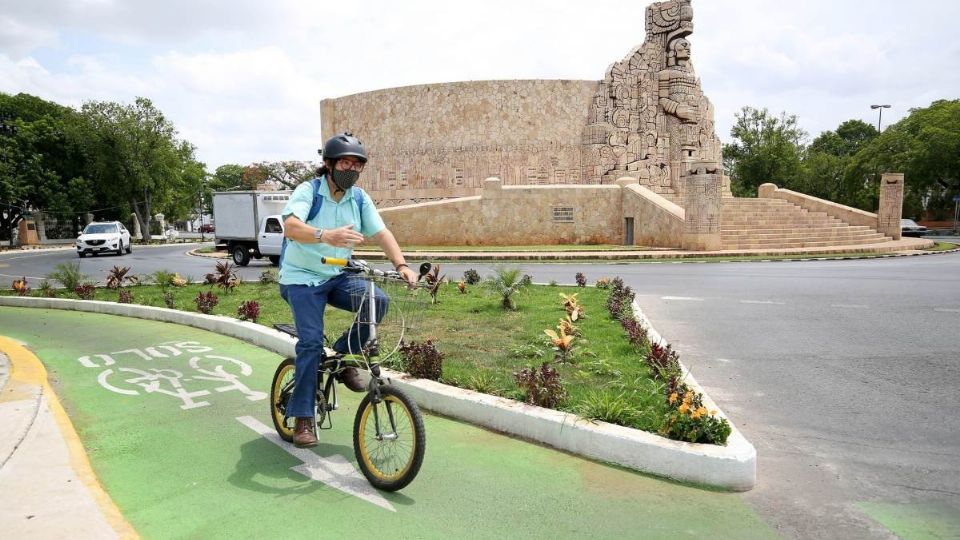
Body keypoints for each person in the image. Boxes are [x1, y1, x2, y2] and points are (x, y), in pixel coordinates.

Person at [279, 132, 418, 448]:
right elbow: (290, 227)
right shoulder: (309, 191)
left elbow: (381, 233)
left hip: (337, 275)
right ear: (328, 164)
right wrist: (325, 235)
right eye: (344, 162)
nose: (351, 169)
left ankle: (342, 358)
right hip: (301, 279)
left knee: (377, 301)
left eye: (357, 164)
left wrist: (402, 265)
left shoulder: (358, 197)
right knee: (311, 343)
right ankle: (302, 417)